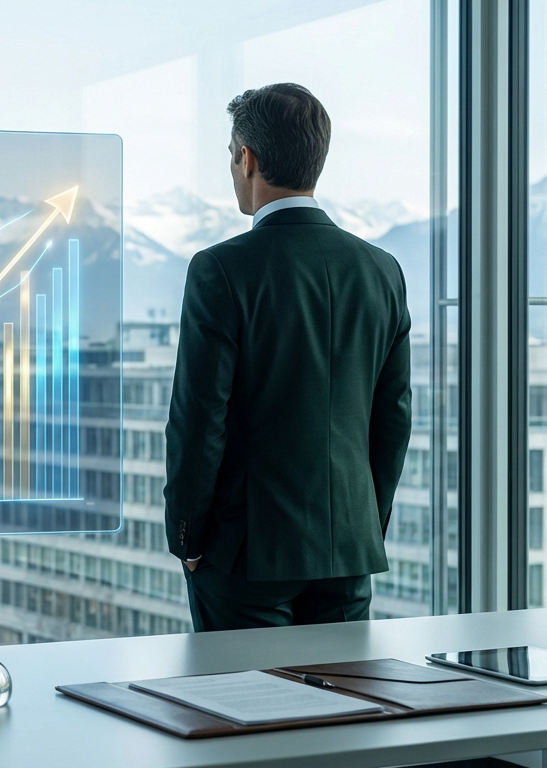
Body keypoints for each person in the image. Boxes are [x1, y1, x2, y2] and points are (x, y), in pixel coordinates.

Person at [164, 83, 412, 631]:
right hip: (347, 549)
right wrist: (361, 527)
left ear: (247, 158)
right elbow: (392, 420)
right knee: (343, 689)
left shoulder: (220, 269)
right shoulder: (382, 270)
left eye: (231, 156)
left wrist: (187, 538)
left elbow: (199, 420)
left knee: (248, 690)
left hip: (244, 552)